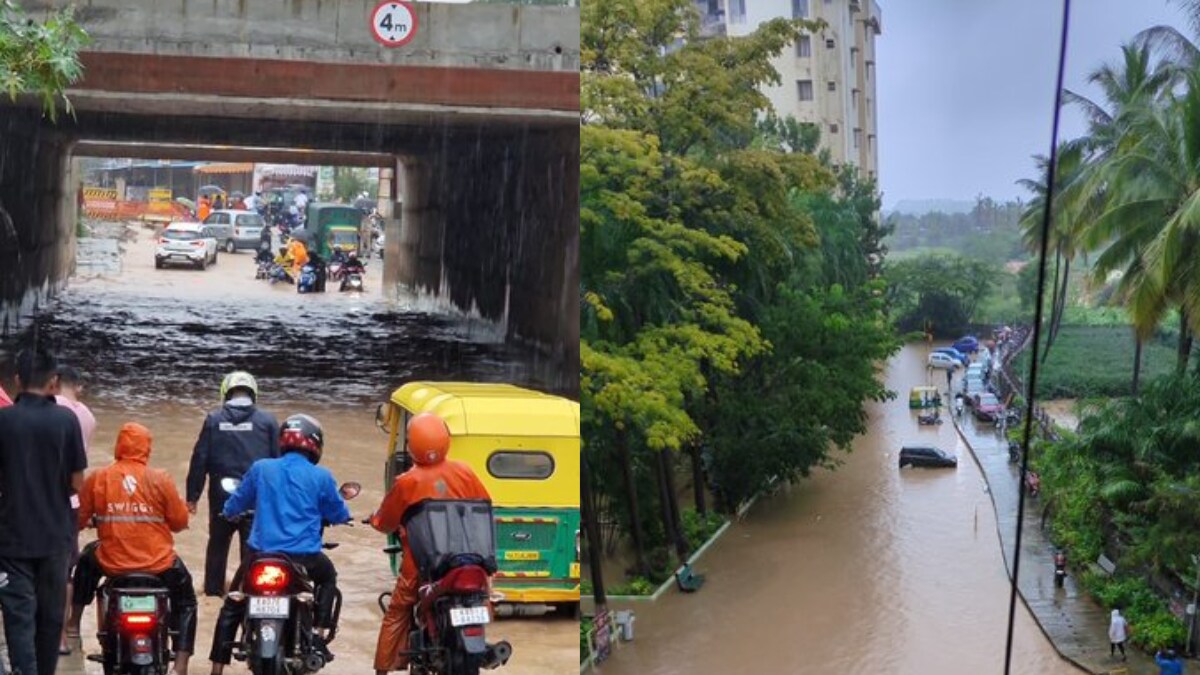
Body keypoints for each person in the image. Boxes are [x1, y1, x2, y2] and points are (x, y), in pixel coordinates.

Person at [208, 414, 352, 674]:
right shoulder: (321, 476)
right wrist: (341, 517)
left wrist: (229, 511)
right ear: (316, 445)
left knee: (232, 604)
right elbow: (339, 513)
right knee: (328, 578)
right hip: (303, 559)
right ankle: (319, 634)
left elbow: (236, 502)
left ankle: (217, 667)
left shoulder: (262, 468)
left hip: (260, 556)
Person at [370, 413, 492, 674]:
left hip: (422, 565)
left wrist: (374, 521)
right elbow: (484, 505)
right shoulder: (465, 471)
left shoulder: (407, 482)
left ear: (412, 446)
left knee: (398, 609)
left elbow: (386, 522)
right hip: (467, 557)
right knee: (485, 594)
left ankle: (384, 667)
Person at [73, 423, 197, 675]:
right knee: (186, 603)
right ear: (147, 448)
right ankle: (181, 664)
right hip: (160, 564)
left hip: (112, 563)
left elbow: (78, 518)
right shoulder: (160, 479)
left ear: (119, 445)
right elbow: (180, 522)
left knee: (85, 562)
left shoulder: (99, 477)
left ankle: (73, 624)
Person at [0, 347, 88, 675]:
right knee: (50, 618)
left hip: (11, 539)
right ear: (54, 382)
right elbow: (77, 483)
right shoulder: (66, 420)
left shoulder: (3, 421)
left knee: (19, 616)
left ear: (18, 381)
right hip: (55, 537)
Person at [186, 371, 280, 597]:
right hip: (256, 497)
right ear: (253, 393)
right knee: (252, 549)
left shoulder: (213, 420)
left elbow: (200, 459)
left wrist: (192, 496)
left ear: (225, 393)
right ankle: (248, 592)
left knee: (217, 546)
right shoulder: (268, 422)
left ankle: (212, 592)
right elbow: (279, 463)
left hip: (221, 496)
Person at [54, 364, 96, 654]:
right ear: (77, 387)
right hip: (69, 503)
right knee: (65, 572)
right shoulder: (86, 416)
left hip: (33, 501)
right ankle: (62, 637)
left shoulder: (49, 407)